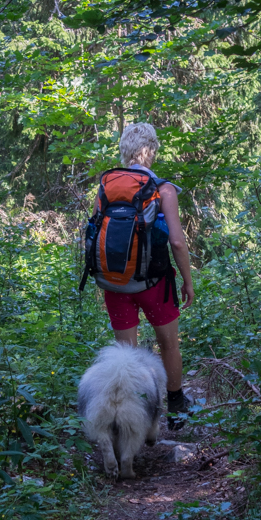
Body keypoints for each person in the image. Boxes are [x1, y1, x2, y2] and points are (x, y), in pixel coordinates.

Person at [101, 122, 195, 426]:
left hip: (115, 283)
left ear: (124, 150)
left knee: (125, 357)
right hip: (155, 283)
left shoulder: (105, 186)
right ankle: (177, 409)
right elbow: (178, 241)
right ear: (151, 149)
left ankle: (128, 419)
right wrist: (187, 281)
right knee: (168, 344)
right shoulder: (163, 189)